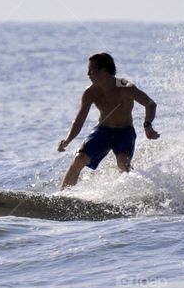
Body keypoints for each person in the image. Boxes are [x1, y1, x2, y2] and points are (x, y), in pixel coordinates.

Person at [58, 53, 160, 189]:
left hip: (125, 132)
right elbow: (80, 119)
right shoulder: (90, 92)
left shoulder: (125, 86)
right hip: (103, 131)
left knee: (123, 163)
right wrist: (67, 140)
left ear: (104, 70)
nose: (88, 74)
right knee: (79, 159)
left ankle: (137, 193)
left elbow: (150, 104)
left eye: (91, 70)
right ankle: (62, 197)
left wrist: (147, 126)